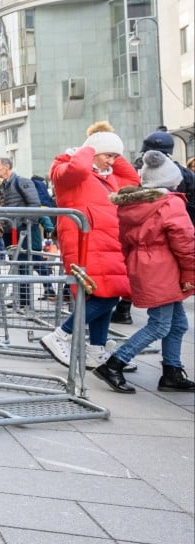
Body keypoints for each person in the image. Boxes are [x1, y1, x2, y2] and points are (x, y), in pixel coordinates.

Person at [39, 122, 139, 371]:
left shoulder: (109, 176)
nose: (112, 162)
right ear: (92, 152)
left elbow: (133, 180)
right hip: (85, 242)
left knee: (107, 293)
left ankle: (96, 349)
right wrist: (90, 147)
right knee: (105, 295)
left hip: (108, 242)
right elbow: (79, 168)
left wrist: (111, 147)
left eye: (115, 157)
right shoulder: (67, 167)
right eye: (108, 156)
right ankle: (61, 335)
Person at [97, 153, 195, 392]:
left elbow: (125, 241)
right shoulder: (171, 203)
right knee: (160, 325)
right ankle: (114, 364)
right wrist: (190, 275)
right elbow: (185, 243)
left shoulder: (133, 204)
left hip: (145, 265)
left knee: (178, 324)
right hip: (165, 267)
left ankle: (172, 372)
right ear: (172, 180)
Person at [0, 156, 56, 308]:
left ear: (7, 166)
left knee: (25, 264)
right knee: (17, 265)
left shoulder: (22, 181)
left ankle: (26, 301)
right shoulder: (3, 185)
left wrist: (27, 223)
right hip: (10, 230)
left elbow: (34, 204)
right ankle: (21, 300)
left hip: (23, 230)